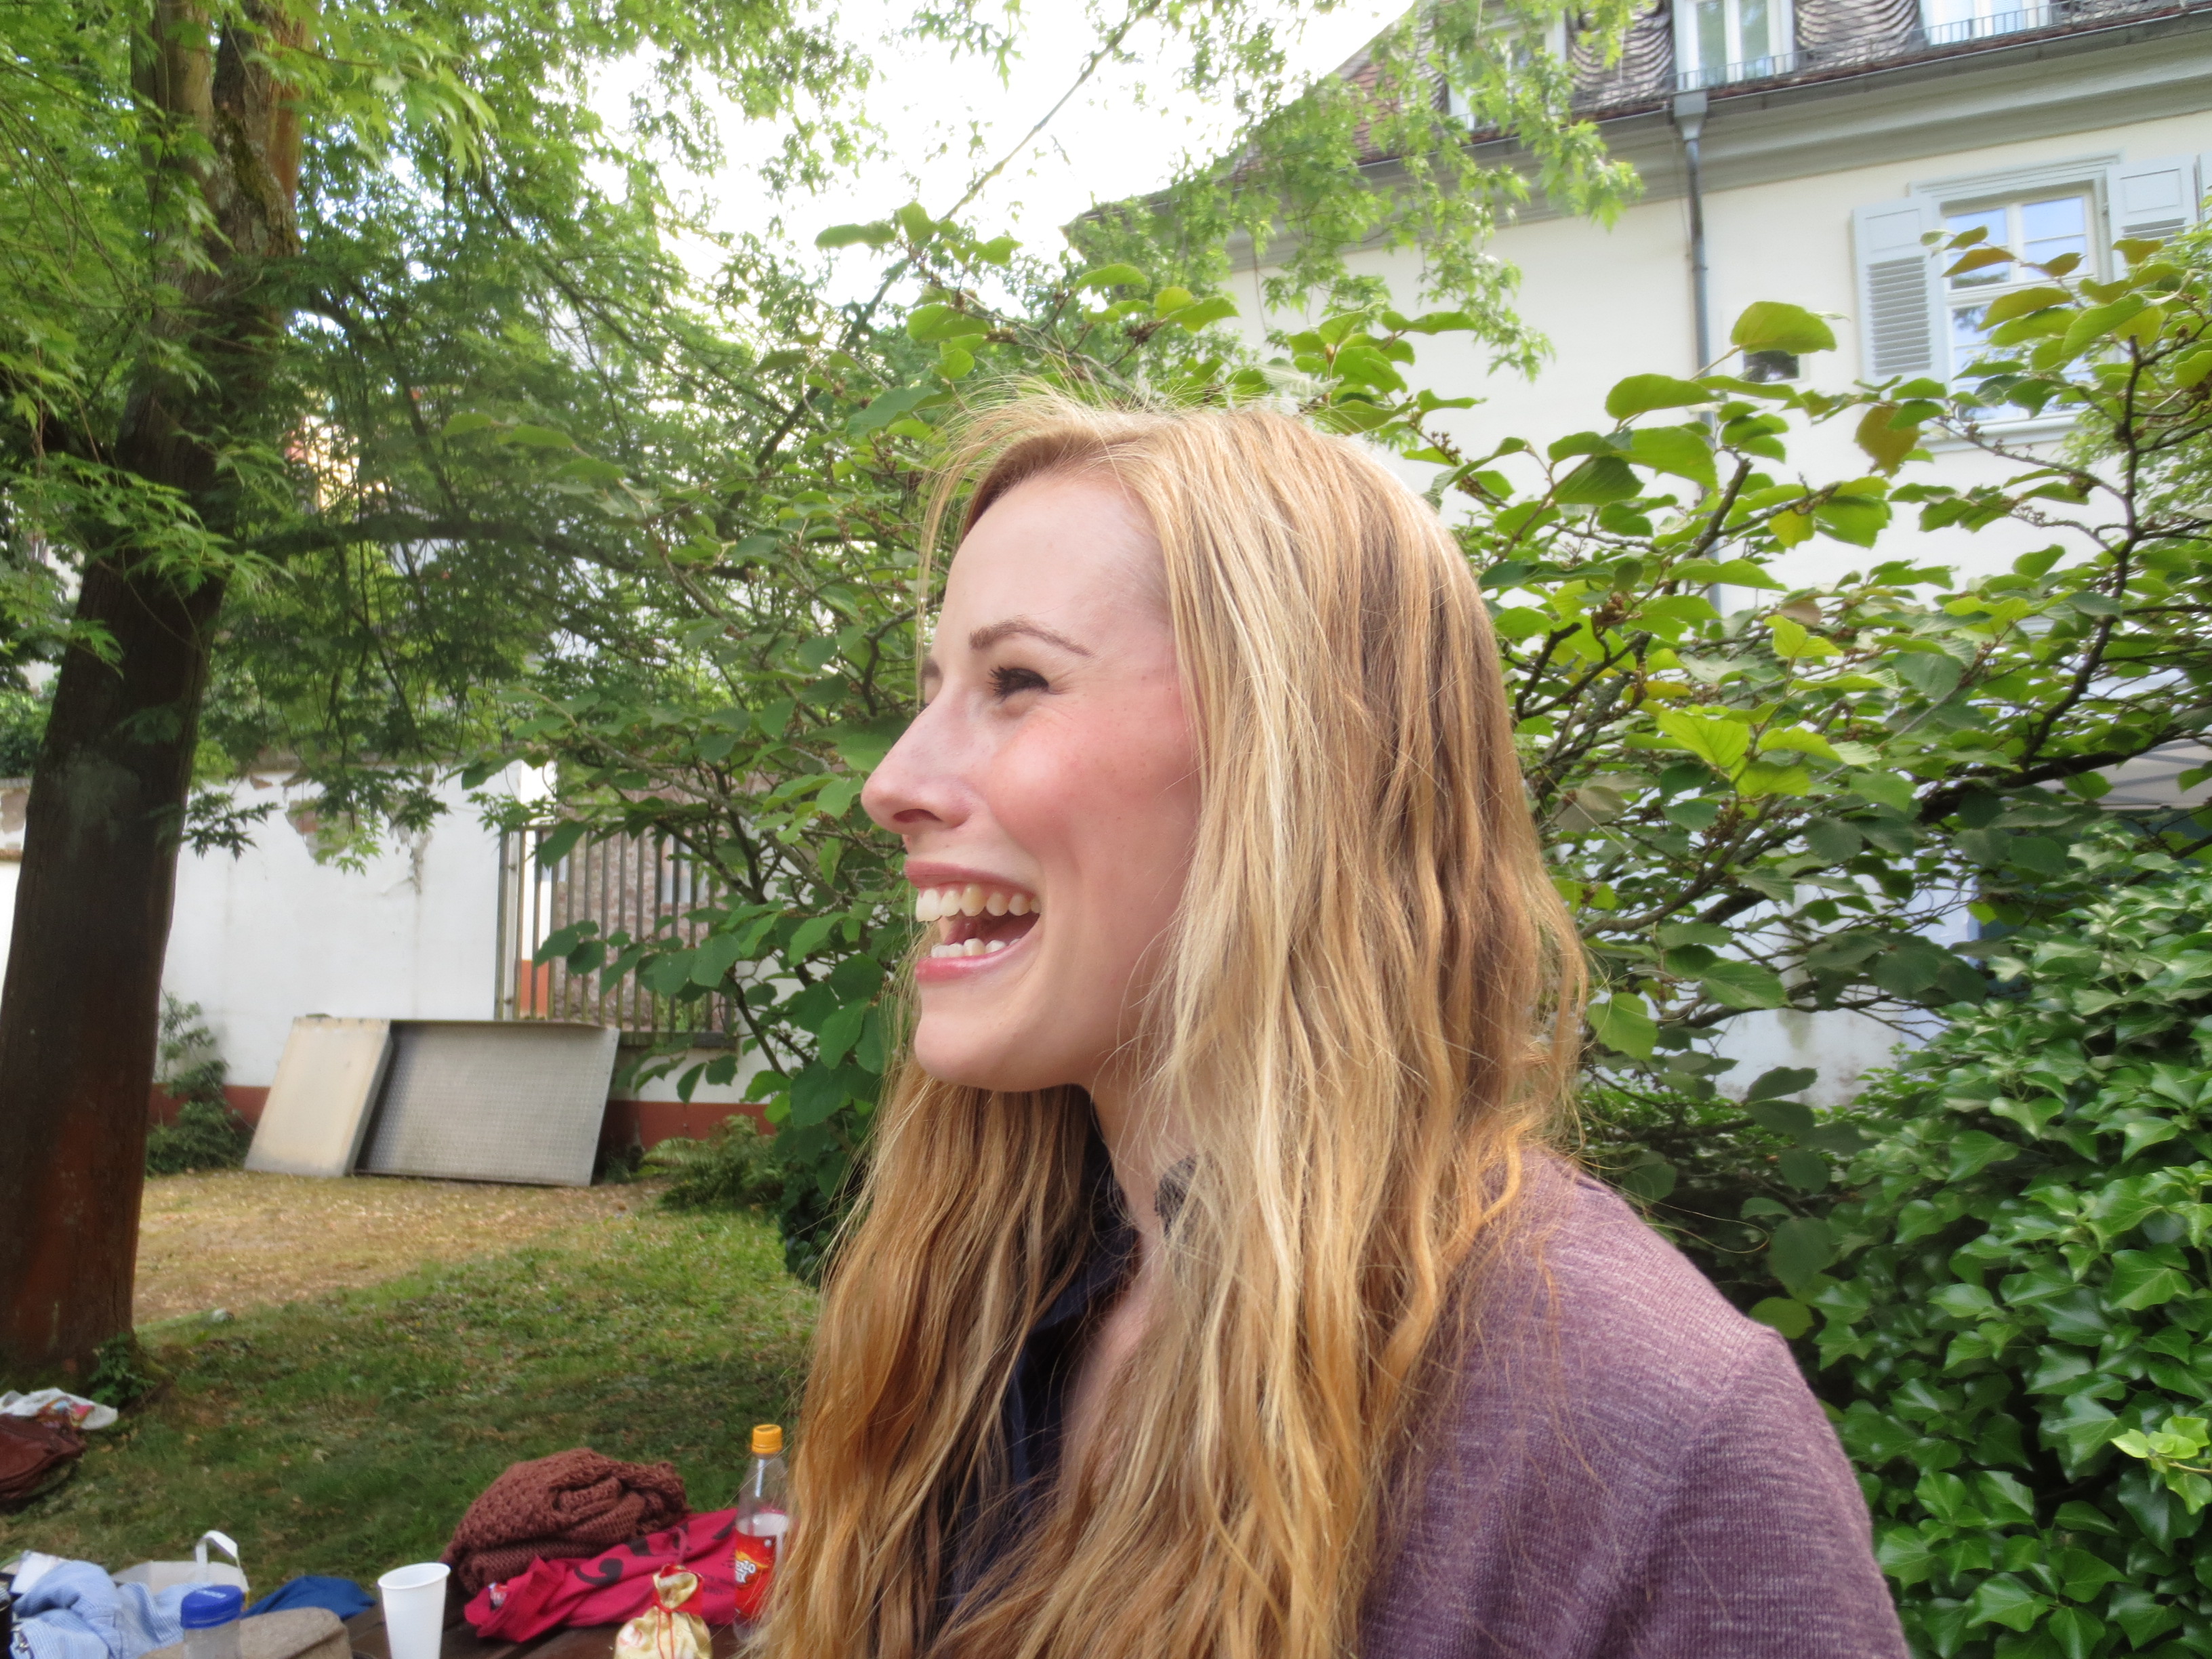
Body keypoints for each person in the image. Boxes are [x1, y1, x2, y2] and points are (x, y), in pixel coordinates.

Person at [762, 396, 1906, 1659]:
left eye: (1017, 682)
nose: (893, 783)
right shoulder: (988, 1290)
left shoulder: (1654, 1439)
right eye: (933, 691)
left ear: (1297, 764)